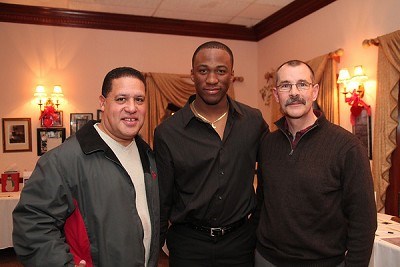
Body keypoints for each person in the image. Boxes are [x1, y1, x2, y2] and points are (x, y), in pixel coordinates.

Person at [13, 67, 159, 267]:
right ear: (102, 102)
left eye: (139, 99)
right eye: (121, 99)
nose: (132, 108)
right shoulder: (63, 160)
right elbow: (31, 227)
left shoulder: (148, 155)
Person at [154, 41, 269, 267]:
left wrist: (256, 224)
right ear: (192, 74)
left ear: (232, 75)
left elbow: (271, 176)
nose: (212, 79)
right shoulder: (168, 132)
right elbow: (162, 199)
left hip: (240, 242)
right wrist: (154, 252)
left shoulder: (253, 121)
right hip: (189, 245)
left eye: (221, 71)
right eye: (203, 70)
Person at [255, 60, 377, 266]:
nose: (294, 92)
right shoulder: (267, 143)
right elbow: (262, 204)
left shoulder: (347, 147)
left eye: (302, 84)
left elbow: (363, 221)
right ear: (276, 95)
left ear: (314, 91)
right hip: (266, 259)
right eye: (286, 85)